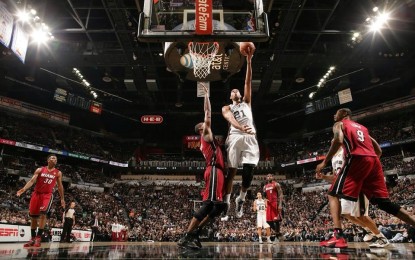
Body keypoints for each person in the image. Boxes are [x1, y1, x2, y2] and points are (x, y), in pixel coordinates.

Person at [316, 108, 415, 248]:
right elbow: (378, 151)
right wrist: (367, 165)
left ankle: (338, 236)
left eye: (336, 113)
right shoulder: (363, 128)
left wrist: (324, 162)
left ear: (344, 115)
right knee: (384, 204)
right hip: (373, 161)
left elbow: (338, 139)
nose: (334, 115)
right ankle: (375, 233)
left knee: (332, 194)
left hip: (357, 160)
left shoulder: (340, 124)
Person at [177, 84, 226, 250]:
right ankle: (187, 236)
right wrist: (206, 96)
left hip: (216, 172)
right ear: (201, 129)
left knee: (220, 206)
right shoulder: (205, 135)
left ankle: (195, 234)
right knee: (208, 205)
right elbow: (208, 113)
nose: (206, 124)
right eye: (204, 124)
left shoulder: (208, 140)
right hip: (213, 171)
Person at [316, 144, 389, 247]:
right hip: (346, 187)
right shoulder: (333, 158)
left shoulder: (347, 150)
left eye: (335, 140)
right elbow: (336, 178)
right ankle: (368, 230)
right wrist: (323, 177)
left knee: (361, 215)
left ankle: (381, 238)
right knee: (345, 213)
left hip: (357, 185)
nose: (333, 142)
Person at [221, 45, 259, 220]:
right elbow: (229, 118)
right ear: (230, 96)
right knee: (232, 172)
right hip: (235, 136)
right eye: (232, 91)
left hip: (250, 136)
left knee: (249, 173)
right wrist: (240, 127)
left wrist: (249, 62)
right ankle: (226, 203)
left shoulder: (247, 103)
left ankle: (241, 198)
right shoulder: (227, 107)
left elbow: (248, 82)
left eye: (237, 90)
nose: (235, 91)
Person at [17, 154, 65, 247]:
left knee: (43, 213)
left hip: (47, 195)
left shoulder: (58, 173)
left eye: (56, 159)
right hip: (36, 194)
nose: (54, 159)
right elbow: (31, 181)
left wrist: (62, 198)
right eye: (52, 158)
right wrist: (23, 189)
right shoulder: (40, 170)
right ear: (48, 160)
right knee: (33, 217)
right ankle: (33, 238)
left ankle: (39, 237)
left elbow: (60, 186)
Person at [263, 173, 283, 242]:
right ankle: (278, 233)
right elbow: (264, 196)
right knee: (268, 221)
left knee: (276, 220)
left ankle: (277, 237)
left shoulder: (276, 184)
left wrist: (280, 204)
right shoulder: (265, 187)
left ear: (273, 177)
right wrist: (265, 199)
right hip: (269, 204)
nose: (269, 177)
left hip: (275, 203)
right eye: (267, 176)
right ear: (266, 178)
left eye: (270, 176)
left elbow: (280, 194)